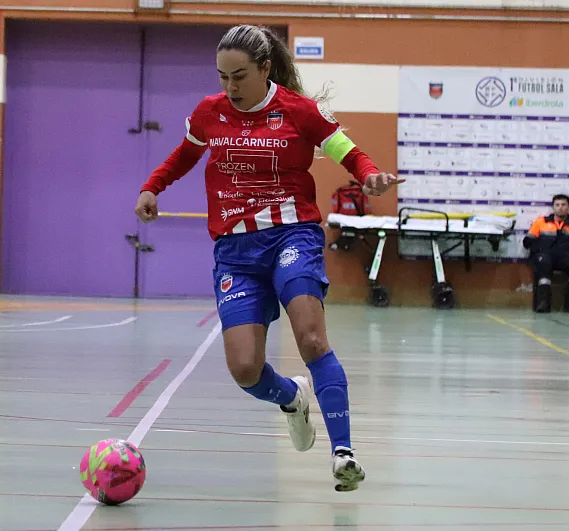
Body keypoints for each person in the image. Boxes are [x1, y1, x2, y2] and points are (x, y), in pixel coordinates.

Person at [134, 25, 402, 492]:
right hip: (236, 252)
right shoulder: (210, 112)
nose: (230, 87)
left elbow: (348, 152)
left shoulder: (299, 112)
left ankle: (343, 453)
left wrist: (370, 175)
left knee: (311, 338)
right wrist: (152, 186)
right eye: (223, 77)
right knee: (244, 369)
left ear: (265, 68)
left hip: (291, 235)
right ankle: (292, 397)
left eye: (239, 76)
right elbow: (184, 155)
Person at [525, 194, 569, 313]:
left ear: (568, 207)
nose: (560, 207)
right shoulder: (541, 221)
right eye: (557, 205)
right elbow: (527, 241)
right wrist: (540, 248)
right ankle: (543, 302)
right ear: (553, 207)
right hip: (545, 256)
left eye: (563, 205)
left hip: (565, 257)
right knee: (544, 263)